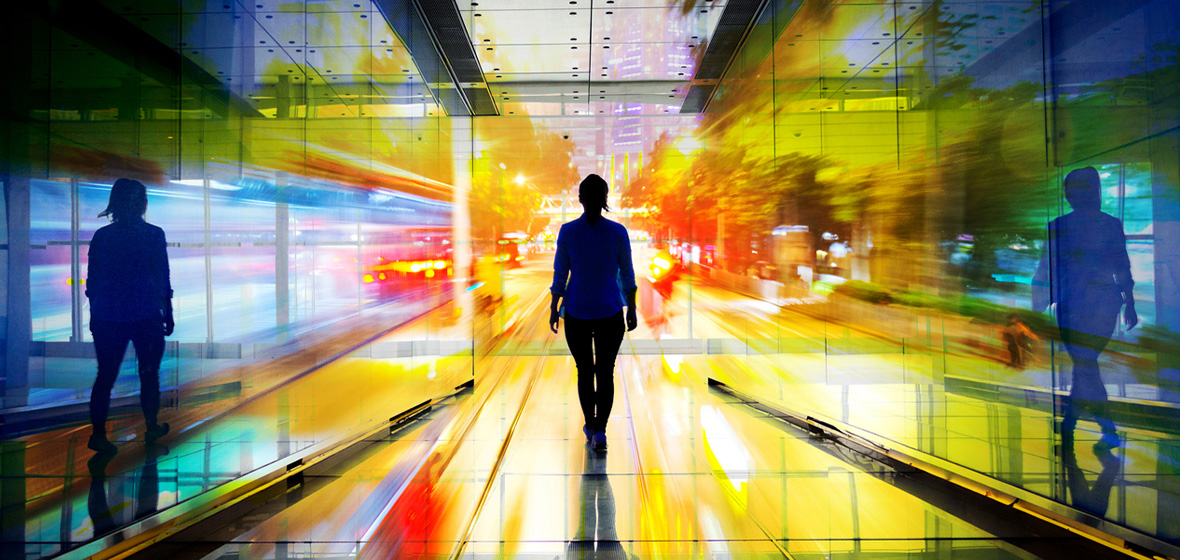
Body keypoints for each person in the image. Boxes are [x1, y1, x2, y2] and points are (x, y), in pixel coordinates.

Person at [1033, 166, 1136, 451]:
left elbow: (1046, 270)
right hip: (1103, 306)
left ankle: (1090, 430)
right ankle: (1087, 428)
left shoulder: (1058, 226)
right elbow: (1122, 267)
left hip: (1073, 306)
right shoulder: (1110, 224)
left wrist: (1036, 308)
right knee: (1085, 365)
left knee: (1085, 364)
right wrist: (1130, 303)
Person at [86, 178, 175, 454]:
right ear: (140, 203)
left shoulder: (102, 236)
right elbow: (162, 277)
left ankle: (98, 435)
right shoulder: (153, 234)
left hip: (107, 316)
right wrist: (168, 312)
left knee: (105, 376)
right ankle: (151, 428)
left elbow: (93, 282)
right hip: (145, 314)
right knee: (149, 374)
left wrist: (94, 314)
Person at [550, 174, 638, 451]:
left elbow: (560, 273)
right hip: (610, 311)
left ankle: (591, 425)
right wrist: (632, 307)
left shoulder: (568, 232)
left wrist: (554, 307)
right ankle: (600, 430)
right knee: (605, 372)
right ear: (604, 199)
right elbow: (627, 274)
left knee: (585, 372)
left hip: (576, 312)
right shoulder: (617, 232)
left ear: (580, 199)